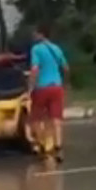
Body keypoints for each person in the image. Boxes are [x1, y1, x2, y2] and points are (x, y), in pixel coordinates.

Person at [27, 24, 69, 162]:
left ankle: (41, 147)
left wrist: (30, 87)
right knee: (56, 119)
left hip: (42, 88)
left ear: (41, 34)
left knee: (35, 119)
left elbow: (34, 70)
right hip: (57, 87)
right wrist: (62, 82)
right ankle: (58, 148)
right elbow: (65, 67)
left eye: (35, 33)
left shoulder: (36, 49)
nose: (33, 35)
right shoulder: (56, 49)